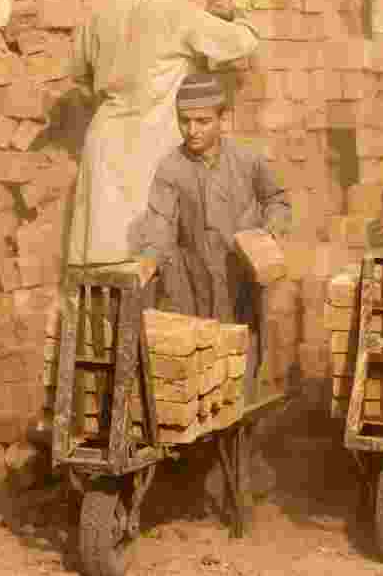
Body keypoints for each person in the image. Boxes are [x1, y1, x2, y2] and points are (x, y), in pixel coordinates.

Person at [67, 0, 261, 270]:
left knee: (106, 267)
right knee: (159, 265)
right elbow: (239, 44)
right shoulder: (175, 11)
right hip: (154, 147)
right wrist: (243, 18)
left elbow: (81, 80)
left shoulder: (97, 17)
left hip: (106, 146)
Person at [139, 73, 290, 515]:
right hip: (190, 290)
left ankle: (239, 481)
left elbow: (277, 200)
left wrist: (269, 233)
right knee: (200, 385)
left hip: (240, 288)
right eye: (185, 121)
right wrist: (146, 262)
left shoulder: (248, 161)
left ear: (224, 118)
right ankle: (204, 481)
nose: (193, 131)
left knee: (242, 385)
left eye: (203, 121)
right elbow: (159, 223)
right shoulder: (171, 168)